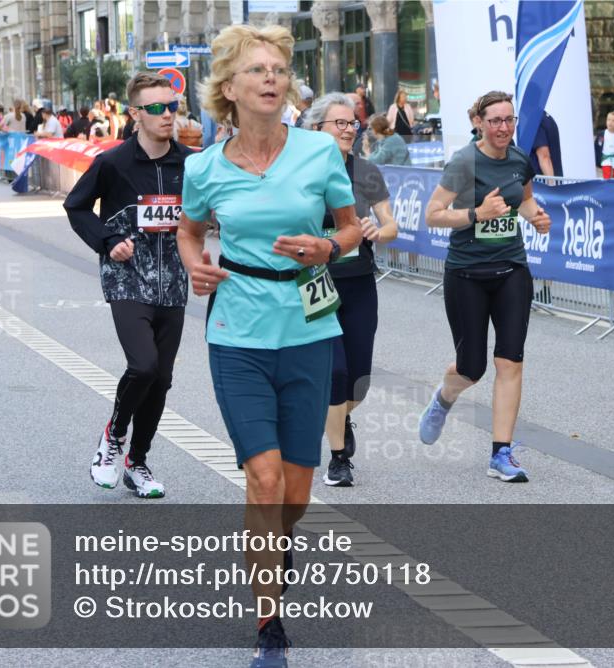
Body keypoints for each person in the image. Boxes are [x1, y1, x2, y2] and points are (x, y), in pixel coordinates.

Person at [175, 24, 360, 666]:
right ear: (228, 87)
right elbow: (189, 230)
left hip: (310, 323)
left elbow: (352, 227)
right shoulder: (203, 166)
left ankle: (273, 543)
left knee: (297, 493)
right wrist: (195, 263)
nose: (271, 79)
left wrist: (328, 247)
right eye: (256, 70)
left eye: (278, 70)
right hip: (237, 331)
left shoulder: (318, 152)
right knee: (265, 475)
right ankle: (269, 623)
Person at [65, 72, 190, 499]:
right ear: (135, 114)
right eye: (156, 108)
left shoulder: (190, 162)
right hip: (127, 279)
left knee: (163, 378)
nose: (166, 115)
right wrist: (108, 240)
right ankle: (113, 438)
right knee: (144, 366)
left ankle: (138, 462)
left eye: (172, 106)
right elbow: (77, 206)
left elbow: (214, 210)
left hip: (173, 283)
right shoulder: (113, 163)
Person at [418, 90, 551, 482]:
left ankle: (501, 453)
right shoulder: (464, 162)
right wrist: (477, 213)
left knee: (510, 360)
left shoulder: (518, 158)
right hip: (466, 274)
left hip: (511, 268)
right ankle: (444, 398)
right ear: (479, 122)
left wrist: (535, 217)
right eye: (495, 120)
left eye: (509, 120)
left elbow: (523, 200)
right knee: (471, 367)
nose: (504, 127)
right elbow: (432, 215)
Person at [308, 93, 399, 487]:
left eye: (352, 123)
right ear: (317, 129)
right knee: (337, 373)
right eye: (339, 123)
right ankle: (338, 457)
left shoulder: (366, 172)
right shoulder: (301, 173)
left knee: (359, 378)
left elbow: (391, 225)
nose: (348, 130)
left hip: (360, 281)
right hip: (317, 283)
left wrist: (379, 231)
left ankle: (340, 418)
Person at [530, 111, 563, 178]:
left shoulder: (533, 120)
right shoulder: (547, 118)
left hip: (542, 185)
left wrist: (551, 187)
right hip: (555, 181)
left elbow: (544, 157)